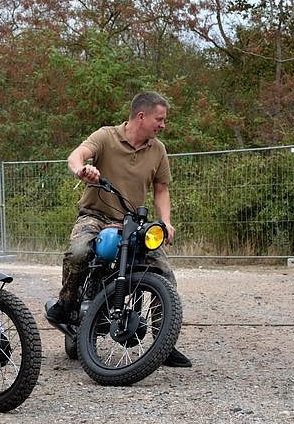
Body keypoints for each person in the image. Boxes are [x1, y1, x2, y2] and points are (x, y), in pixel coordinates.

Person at [45, 91, 191, 368]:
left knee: (165, 274)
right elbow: (76, 155)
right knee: (78, 252)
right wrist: (81, 170)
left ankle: (165, 340)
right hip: (96, 216)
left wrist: (166, 221)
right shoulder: (106, 136)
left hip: (131, 222)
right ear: (141, 116)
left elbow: (161, 189)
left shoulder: (158, 149)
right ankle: (66, 304)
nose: (163, 124)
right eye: (160, 119)